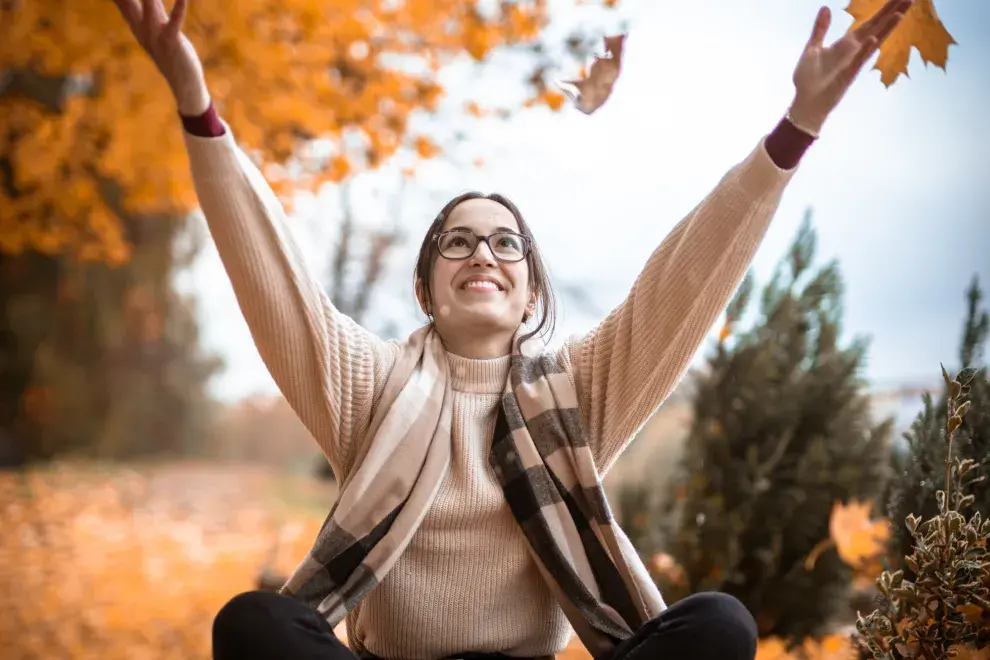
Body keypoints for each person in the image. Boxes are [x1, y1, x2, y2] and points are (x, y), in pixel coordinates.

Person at [110, 1, 913, 658]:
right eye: (456, 241)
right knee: (254, 626)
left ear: (531, 296)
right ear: (427, 289)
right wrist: (196, 103)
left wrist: (796, 127)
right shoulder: (371, 382)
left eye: (506, 243)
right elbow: (272, 277)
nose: (482, 253)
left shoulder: (579, 392)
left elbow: (686, 282)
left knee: (721, 625)